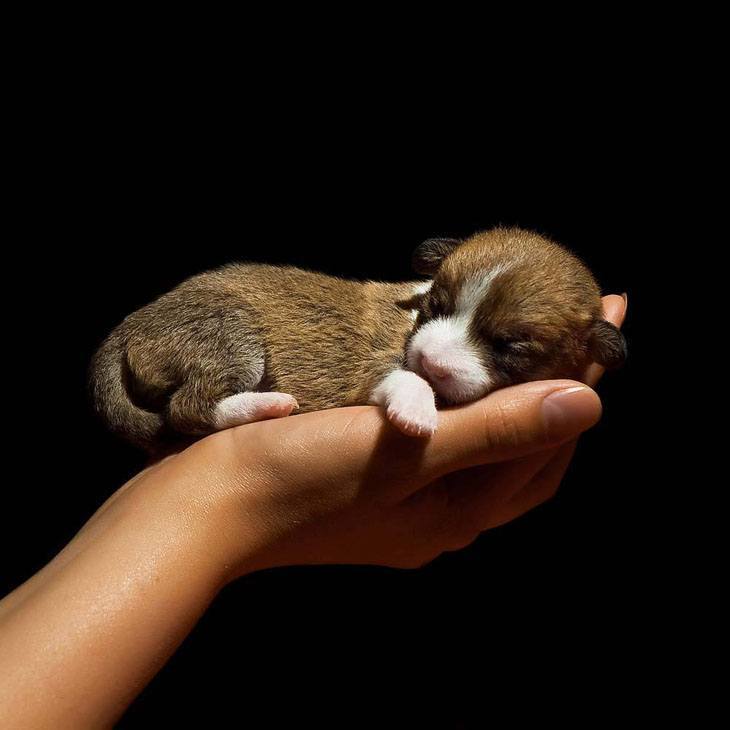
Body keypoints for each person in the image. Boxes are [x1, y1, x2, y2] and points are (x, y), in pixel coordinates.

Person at [0, 295, 626, 728]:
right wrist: (230, 495)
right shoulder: (398, 339)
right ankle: (199, 410)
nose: (435, 353)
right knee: (227, 344)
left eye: (509, 346)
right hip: (206, 335)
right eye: (438, 310)